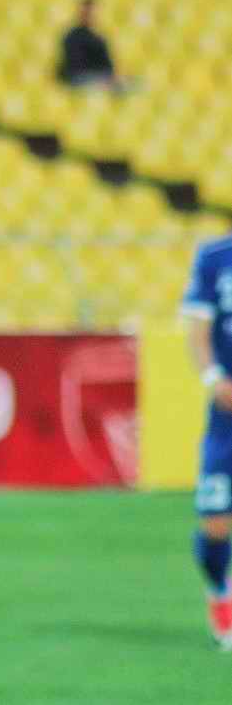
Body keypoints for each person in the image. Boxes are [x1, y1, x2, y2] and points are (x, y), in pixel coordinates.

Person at [181, 234, 232, 649]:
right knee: (215, 523)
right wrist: (215, 379)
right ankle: (218, 589)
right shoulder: (215, 257)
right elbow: (197, 331)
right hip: (227, 419)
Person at [58, 0, 119, 89]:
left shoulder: (98, 37)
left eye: (92, 14)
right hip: (80, 77)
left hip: (98, 76)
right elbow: (76, 67)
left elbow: (107, 63)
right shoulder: (72, 36)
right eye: (87, 13)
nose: (91, 16)